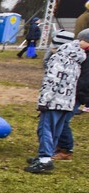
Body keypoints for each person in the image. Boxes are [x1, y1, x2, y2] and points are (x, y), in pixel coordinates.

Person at [25, 29, 89, 173]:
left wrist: (44, 101)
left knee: (45, 129)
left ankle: (44, 160)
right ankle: (46, 155)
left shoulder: (59, 58)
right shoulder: (77, 58)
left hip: (53, 102)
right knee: (55, 131)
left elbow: (52, 82)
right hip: (67, 102)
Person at [54, 31, 89, 160]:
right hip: (72, 92)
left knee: (63, 121)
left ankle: (66, 150)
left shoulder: (85, 58)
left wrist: (80, 96)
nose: (78, 42)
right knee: (60, 120)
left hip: (77, 94)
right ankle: (59, 146)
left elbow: (84, 80)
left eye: (81, 40)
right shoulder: (82, 55)